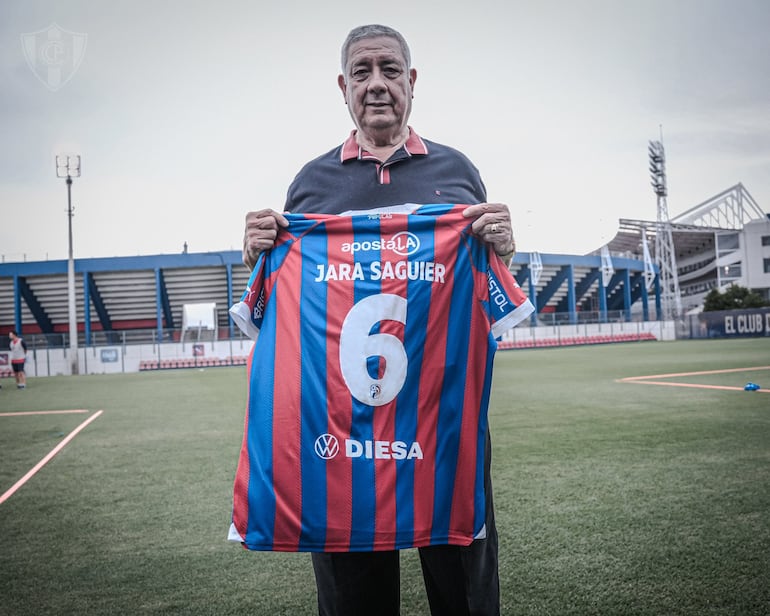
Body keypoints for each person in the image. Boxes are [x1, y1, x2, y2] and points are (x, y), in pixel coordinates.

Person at [240, 25, 519, 616]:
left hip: (442, 428)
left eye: (389, 70)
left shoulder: (459, 173)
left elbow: (486, 295)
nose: (376, 85)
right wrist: (261, 252)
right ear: (343, 87)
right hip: (342, 438)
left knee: (465, 592)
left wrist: (505, 249)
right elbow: (283, 322)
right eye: (361, 72)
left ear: (411, 82)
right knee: (353, 600)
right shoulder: (310, 187)